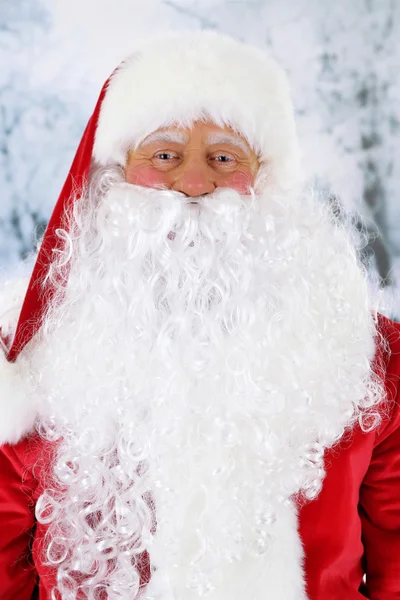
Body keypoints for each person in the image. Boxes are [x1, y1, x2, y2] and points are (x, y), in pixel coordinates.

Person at [0, 30, 399, 600]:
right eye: (164, 154)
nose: (192, 184)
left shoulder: (368, 356)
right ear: (114, 174)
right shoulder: (28, 357)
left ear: (265, 180)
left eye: (223, 157)